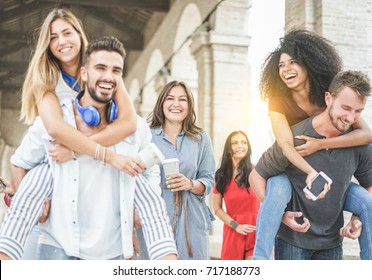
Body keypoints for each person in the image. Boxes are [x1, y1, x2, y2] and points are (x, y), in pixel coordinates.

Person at [2, 36, 177, 260]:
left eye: (116, 70)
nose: (108, 76)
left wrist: (136, 211)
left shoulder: (135, 127)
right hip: (59, 248)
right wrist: (35, 203)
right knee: (41, 173)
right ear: (84, 73)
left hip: (113, 252)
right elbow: (21, 163)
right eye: (100, 68)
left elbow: (149, 173)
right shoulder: (53, 121)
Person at [0, 8, 138, 260]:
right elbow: (56, 129)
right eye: (53, 37)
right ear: (47, 44)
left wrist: (74, 150)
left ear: (79, 34)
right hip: (54, 161)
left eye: (67, 32)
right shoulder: (46, 79)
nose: (61, 41)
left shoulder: (103, 67)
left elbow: (129, 123)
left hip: (81, 160)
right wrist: (105, 154)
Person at [251, 29, 372, 260]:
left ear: (309, 63)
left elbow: (366, 134)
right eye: (281, 65)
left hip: (330, 177)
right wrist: (309, 173)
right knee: (277, 188)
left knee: (367, 202)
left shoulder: (328, 91)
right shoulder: (278, 100)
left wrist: (321, 144)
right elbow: (286, 145)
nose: (286, 69)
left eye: (293, 62)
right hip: (290, 166)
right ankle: (260, 262)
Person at [135, 80, 216, 260]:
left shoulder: (200, 138)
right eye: (170, 99)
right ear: (161, 103)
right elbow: (133, 179)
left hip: (192, 218)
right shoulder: (146, 136)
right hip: (154, 219)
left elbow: (209, 179)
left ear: (189, 105)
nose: (176, 104)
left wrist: (190, 183)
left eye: (182, 99)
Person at [212, 131, 260, 260]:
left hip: (254, 230)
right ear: (229, 149)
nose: (240, 146)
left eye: (244, 142)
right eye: (235, 143)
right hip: (233, 230)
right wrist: (236, 226)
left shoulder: (256, 172)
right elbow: (216, 208)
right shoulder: (220, 176)